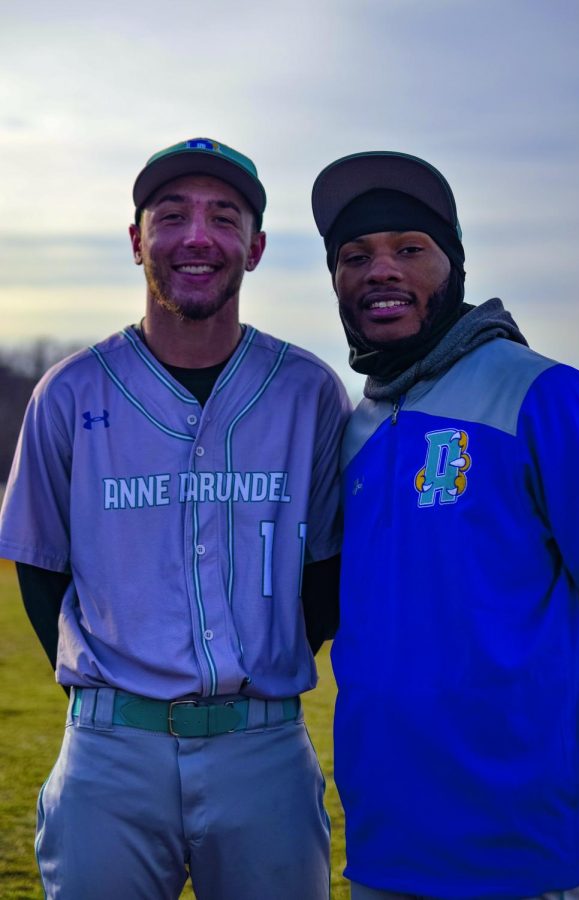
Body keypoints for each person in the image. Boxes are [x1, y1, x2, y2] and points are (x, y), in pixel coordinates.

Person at [0, 136, 351, 900]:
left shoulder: (307, 391)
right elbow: (38, 566)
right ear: (137, 241)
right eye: (171, 215)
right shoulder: (69, 392)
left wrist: (263, 671)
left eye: (223, 217)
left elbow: (326, 568)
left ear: (254, 248)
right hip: (109, 751)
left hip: (264, 746)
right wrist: (111, 698)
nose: (197, 237)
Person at [311, 150, 579, 900]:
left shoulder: (543, 394)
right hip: (385, 848)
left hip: (527, 851)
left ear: (455, 267)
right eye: (355, 256)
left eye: (410, 249)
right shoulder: (356, 430)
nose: (380, 270)